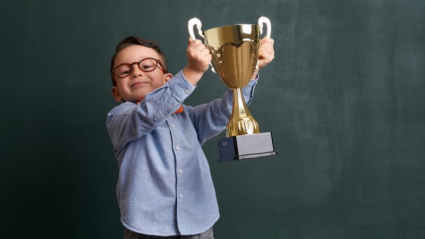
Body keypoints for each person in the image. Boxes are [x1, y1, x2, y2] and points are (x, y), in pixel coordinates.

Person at [106, 36, 275, 239]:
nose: (136, 72)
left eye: (147, 65)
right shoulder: (120, 117)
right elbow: (149, 114)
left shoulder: (190, 116)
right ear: (116, 93)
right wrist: (192, 72)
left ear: (169, 79)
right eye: (125, 71)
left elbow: (226, 110)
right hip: (148, 229)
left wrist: (250, 68)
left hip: (199, 223)